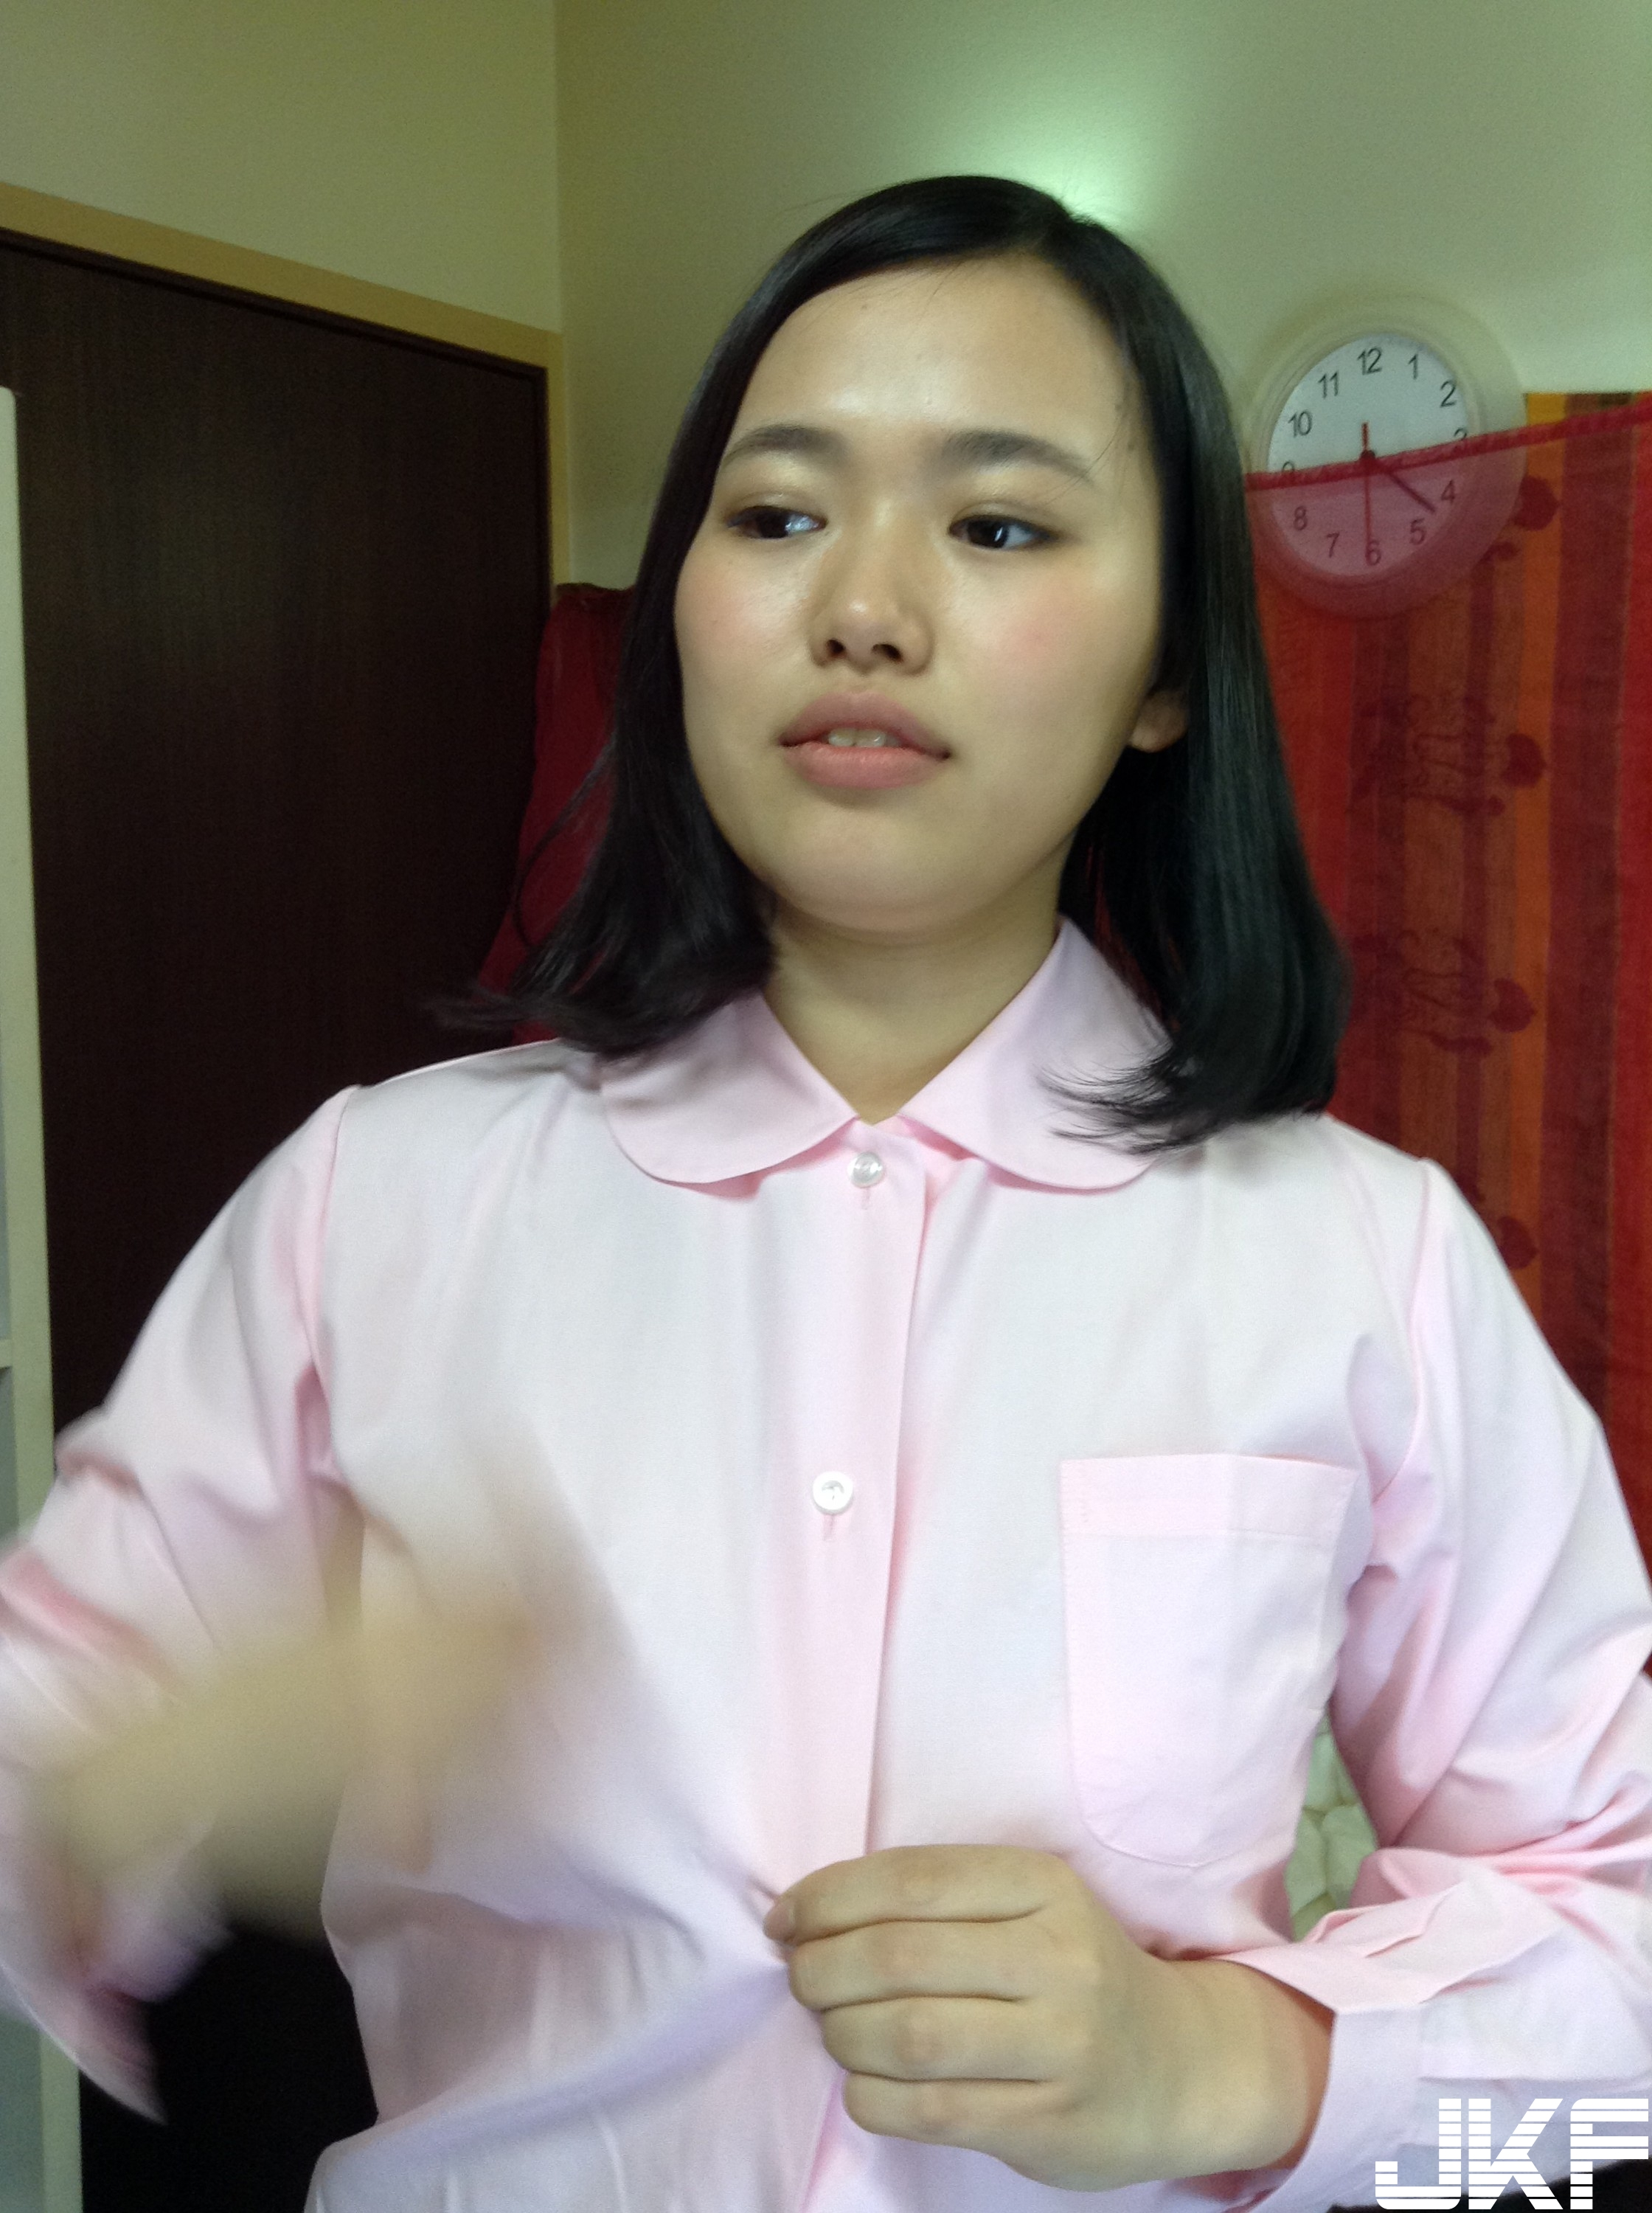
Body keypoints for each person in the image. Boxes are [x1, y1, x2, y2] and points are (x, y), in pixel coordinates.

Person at [2, 175, 1649, 2213]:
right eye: (778, 514)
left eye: (999, 524)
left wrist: (1236, 2065)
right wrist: (123, 1780)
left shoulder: (1362, 1259)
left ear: (1168, 670)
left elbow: (1614, 2033)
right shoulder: (376, 1207)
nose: (864, 604)